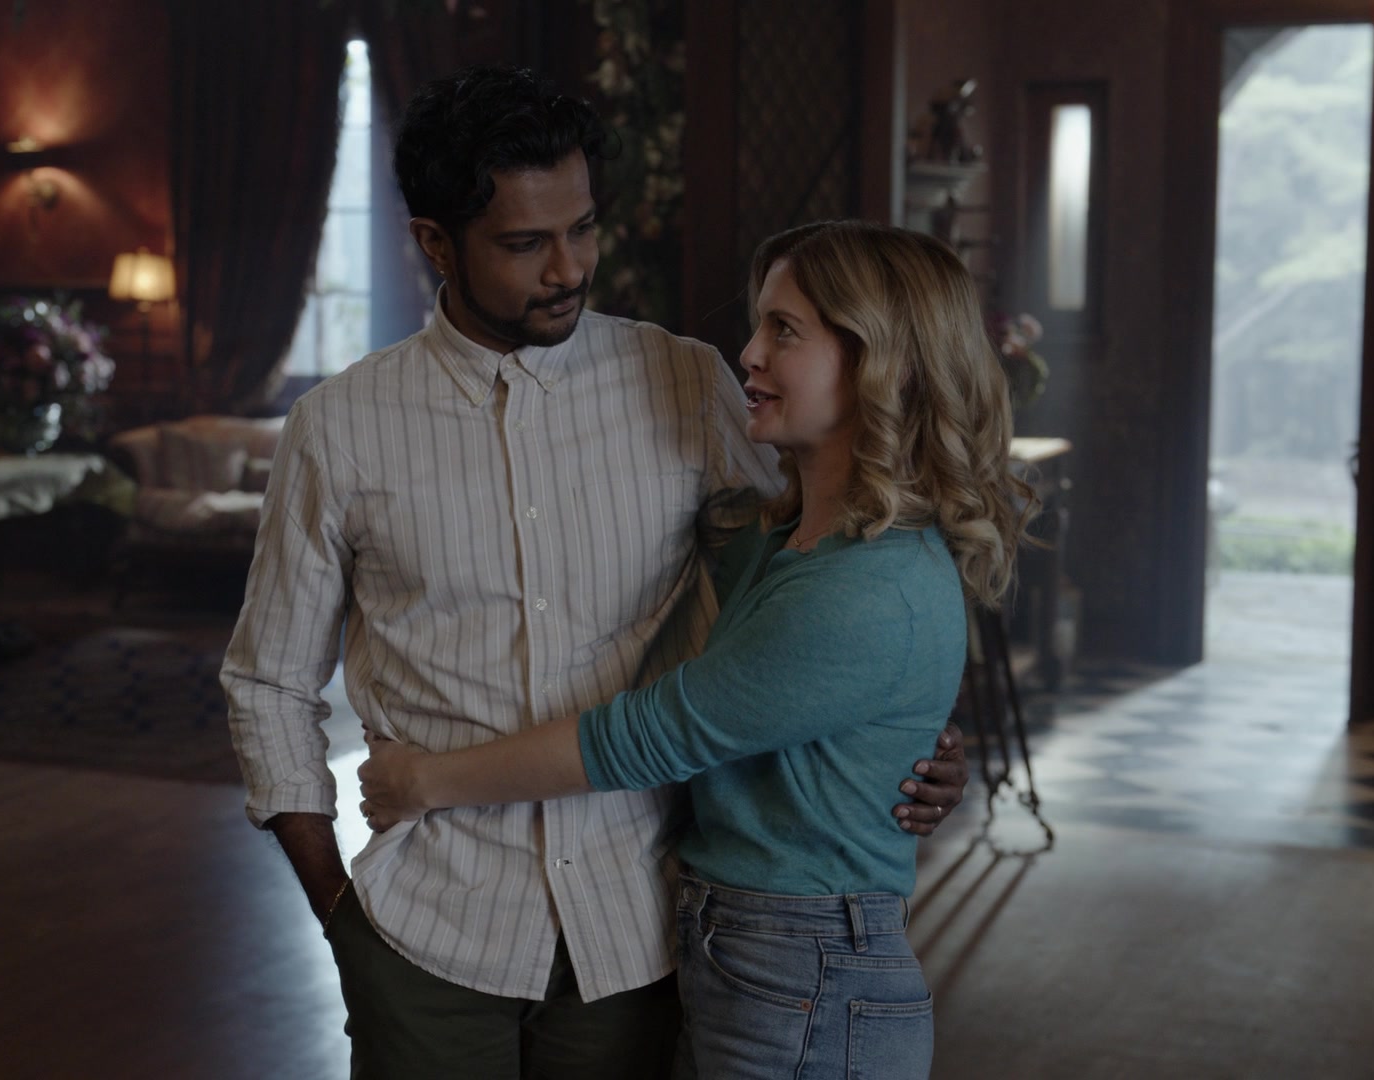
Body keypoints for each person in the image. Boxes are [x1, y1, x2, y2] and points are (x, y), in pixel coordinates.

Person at [221, 66, 968, 1080]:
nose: (568, 267)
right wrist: (339, 912)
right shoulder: (338, 428)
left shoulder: (686, 380)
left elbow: (807, 583)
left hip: (640, 930)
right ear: (435, 241)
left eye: (583, 228)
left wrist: (904, 741)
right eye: (525, 243)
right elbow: (268, 682)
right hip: (425, 935)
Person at [359, 219, 1035, 1080]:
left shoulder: (867, 589)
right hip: (757, 962)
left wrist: (422, 782)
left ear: (879, 361)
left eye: (785, 330)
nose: (748, 355)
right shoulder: (788, 540)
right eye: (759, 324)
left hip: (805, 977)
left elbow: (646, 737)